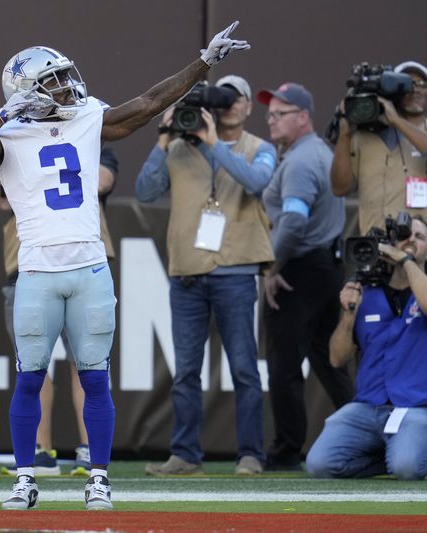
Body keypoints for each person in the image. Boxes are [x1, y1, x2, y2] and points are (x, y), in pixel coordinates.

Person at [0, 21, 250, 510]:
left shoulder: (87, 114)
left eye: (66, 77)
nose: (68, 87)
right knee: (29, 377)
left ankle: (99, 479)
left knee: (94, 378)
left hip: (89, 266)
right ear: (26, 92)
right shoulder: (8, 131)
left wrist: (204, 63)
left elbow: (149, 103)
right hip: (38, 272)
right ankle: (25, 479)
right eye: (54, 81)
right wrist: (1, 117)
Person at [136, 75, 276, 476]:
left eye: (237, 98)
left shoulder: (260, 149)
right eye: (223, 97)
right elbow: (145, 192)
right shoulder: (178, 148)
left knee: (244, 367)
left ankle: (250, 454)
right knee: (185, 371)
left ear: (249, 107)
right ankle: (185, 454)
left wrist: (214, 142)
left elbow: (256, 181)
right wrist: (163, 137)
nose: (230, 104)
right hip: (187, 273)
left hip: (235, 269)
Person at [0, 147, 118, 477]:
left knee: (88, 365)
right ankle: (40, 451)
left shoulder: (90, 123)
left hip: (84, 259)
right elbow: (0, 196)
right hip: (32, 262)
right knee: (33, 368)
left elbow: (103, 181)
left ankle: (90, 450)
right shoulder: (18, 132)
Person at [258, 82, 354, 470]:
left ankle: (286, 451)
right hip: (326, 267)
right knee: (331, 363)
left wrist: (271, 269)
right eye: (269, 113)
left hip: (298, 270)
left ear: (303, 117)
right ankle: (370, 432)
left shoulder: (299, 161)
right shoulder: (318, 153)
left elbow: (294, 222)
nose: (270, 119)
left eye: (280, 113)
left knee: (284, 365)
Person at [306, 215, 427, 480]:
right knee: (319, 464)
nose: (411, 241)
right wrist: (348, 316)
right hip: (368, 406)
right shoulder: (367, 291)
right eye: (406, 236)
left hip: (416, 406)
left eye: (420, 237)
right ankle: (392, 456)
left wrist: (404, 260)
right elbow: (337, 359)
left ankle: (406, 455)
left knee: (406, 468)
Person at [331, 61, 427, 235]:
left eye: (422, 84)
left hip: (419, 250)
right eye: (408, 84)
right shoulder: (364, 136)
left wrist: (397, 121)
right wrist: (344, 135)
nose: (415, 89)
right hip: (374, 249)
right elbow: (339, 188)